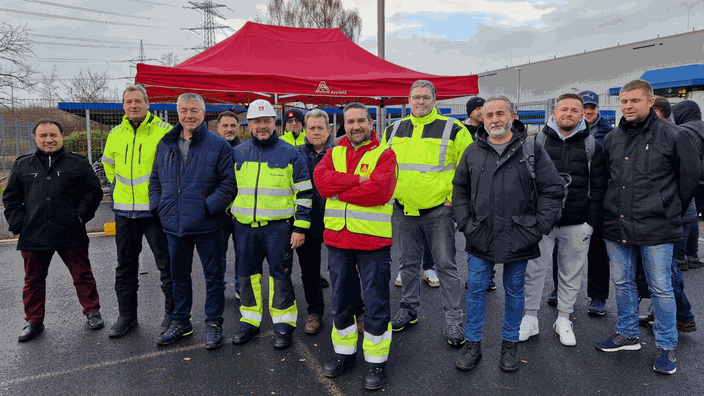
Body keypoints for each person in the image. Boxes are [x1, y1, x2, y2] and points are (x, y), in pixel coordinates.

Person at [453, 96, 565, 372]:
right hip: (481, 234)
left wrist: (539, 228)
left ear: (512, 116)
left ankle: (510, 343)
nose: (494, 120)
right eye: (488, 115)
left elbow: (553, 189)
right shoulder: (473, 151)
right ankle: (473, 344)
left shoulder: (531, 149)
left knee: (515, 292)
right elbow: (459, 190)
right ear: (482, 119)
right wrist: (466, 224)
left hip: (520, 235)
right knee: (476, 290)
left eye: (500, 114)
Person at [595, 80, 699, 375]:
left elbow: (688, 179)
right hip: (617, 224)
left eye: (634, 101)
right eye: (624, 101)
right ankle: (627, 335)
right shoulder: (613, 138)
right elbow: (608, 179)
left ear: (650, 102)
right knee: (623, 283)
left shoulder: (674, 135)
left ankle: (667, 345)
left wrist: (668, 209)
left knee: (661, 288)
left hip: (658, 227)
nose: (628, 106)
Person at [382, 80, 472, 347]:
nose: (419, 101)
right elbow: (383, 167)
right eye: (414, 97)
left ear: (435, 99)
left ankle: (454, 319)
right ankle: (409, 310)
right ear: (407, 101)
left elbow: (469, 168)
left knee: (445, 266)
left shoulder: (454, 129)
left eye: (425, 97)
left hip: (438, 212)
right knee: (407, 265)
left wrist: (452, 200)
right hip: (404, 211)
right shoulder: (393, 129)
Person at [314, 102, 397, 390]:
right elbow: (322, 184)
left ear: (371, 123)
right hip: (338, 240)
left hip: (372, 241)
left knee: (375, 302)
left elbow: (380, 190)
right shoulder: (333, 152)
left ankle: (375, 361)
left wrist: (341, 190)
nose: (355, 126)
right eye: (350, 122)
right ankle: (344, 353)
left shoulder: (384, 154)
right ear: (344, 125)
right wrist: (356, 180)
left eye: (361, 120)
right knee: (341, 300)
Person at [3, 120, 105, 341]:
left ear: (61, 136)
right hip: (33, 233)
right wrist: (19, 224)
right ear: (35, 139)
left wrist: (80, 216)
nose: (48, 139)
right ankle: (33, 321)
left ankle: (92, 311)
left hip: (70, 231)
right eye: (43, 136)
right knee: (33, 280)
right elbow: (10, 198)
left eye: (53, 134)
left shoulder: (77, 162)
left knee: (82, 274)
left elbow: (93, 191)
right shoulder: (23, 165)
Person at [150, 93, 237, 350]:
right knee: (178, 276)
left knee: (213, 277)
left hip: (208, 224)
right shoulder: (165, 143)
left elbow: (229, 185)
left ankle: (213, 322)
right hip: (174, 225)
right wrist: (159, 206)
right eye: (184, 110)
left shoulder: (218, 145)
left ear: (203, 113)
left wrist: (206, 208)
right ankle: (181, 322)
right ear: (178, 112)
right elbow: (155, 180)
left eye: (195, 110)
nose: (189, 115)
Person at [519, 93, 607, 347]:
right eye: (564, 109)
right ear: (554, 113)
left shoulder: (593, 145)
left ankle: (564, 319)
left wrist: (590, 223)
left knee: (571, 274)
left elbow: (599, 186)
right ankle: (530, 318)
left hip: (577, 223)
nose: (568, 114)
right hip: (542, 224)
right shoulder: (535, 142)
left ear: (582, 115)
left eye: (574, 110)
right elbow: (525, 183)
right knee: (533, 272)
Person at [230, 99, 313, 350]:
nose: (262, 126)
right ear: (250, 124)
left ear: (275, 123)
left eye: (266, 121)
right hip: (245, 228)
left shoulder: (291, 153)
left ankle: (283, 324)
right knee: (247, 276)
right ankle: (249, 321)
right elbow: (228, 188)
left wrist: (300, 227)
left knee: (281, 275)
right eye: (257, 121)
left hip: (279, 228)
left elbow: (304, 193)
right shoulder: (238, 153)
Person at [101, 85, 175, 338]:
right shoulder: (115, 134)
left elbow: (174, 169)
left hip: (155, 213)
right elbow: (109, 166)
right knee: (125, 267)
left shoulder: (165, 132)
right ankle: (127, 316)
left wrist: (161, 199)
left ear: (148, 103)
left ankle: (172, 315)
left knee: (167, 266)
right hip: (124, 212)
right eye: (128, 101)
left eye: (137, 101)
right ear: (123, 105)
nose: (133, 105)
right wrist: (117, 188)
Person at [296, 109, 335, 334]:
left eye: (320, 128)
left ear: (328, 130)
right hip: (306, 222)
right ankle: (314, 312)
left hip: (336, 221)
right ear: (305, 129)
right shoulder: (295, 154)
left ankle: (351, 311)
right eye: (311, 128)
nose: (316, 132)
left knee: (342, 269)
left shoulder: (340, 152)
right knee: (309, 271)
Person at [576, 90, 614, 317]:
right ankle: (558, 290)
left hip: (598, 199)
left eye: (592, 107)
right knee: (562, 250)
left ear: (597, 108)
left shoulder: (609, 134)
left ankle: (598, 298)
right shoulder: (567, 132)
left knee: (598, 252)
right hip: (573, 199)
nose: (588, 111)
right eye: (584, 107)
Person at [215, 111, 243, 296]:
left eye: (232, 125)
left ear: (239, 128)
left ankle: (240, 287)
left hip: (241, 211)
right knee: (218, 254)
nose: (229, 129)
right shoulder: (211, 149)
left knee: (242, 253)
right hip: (218, 212)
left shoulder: (245, 150)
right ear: (218, 128)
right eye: (225, 126)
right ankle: (219, 288)